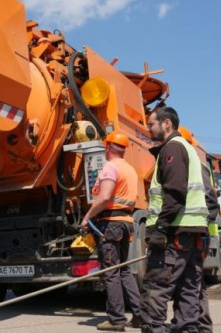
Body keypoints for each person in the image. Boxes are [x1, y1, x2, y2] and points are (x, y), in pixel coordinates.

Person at [141, 107, 209, 333]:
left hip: (173, 233)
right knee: (189, 291)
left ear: (166, 123)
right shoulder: (189, 150)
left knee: (156, 290)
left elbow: (175, 192)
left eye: (151, 124)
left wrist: (161, 228)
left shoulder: (173, 147)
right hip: (190, 234)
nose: (148, 128)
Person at [82, 130, 143, 332]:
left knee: (111, 272)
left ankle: (116, 320)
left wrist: (87, 216)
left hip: (111, 224)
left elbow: (106, 196)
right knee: (124, 270)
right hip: (126, 222)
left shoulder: (110, 167)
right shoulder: (130, 169)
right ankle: (139, 315)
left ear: (108, 147)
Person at [168, 126, 218, 333]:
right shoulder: (193, 164)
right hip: (198, 231)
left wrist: (200, 226)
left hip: (196, 232)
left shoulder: (194, 166)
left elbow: (210, 200)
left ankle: (198, 325)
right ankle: (194, 324)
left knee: (192, 282)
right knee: (191, 281)